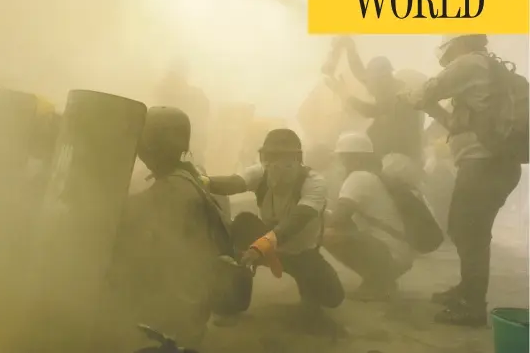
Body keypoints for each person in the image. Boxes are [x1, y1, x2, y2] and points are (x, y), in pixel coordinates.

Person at [408, 34, 523, 326]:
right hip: (491, 166)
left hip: (484, 166)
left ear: (459, 44)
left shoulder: (470, 63)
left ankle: (472, 306)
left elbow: (426, 90)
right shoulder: (483, 83)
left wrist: (411, 98)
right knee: (463, 230)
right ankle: (466, 290)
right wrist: (426, 106)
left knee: (471, 236)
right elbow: (453, 125)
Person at [202, 129, 345, 335]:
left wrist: (262, 245)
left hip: (301, 253)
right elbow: (234, 184)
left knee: (333, 297)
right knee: (242, 224)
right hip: (268, 248)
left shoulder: (314, 183)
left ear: (297, 159)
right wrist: (202, 180)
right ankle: (230, 305)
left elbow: (298, 220)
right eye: (271, 156)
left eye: (283, 157)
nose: (276, 164)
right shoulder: (261, 174)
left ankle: (310, 299)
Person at [117, 106, 238, 349]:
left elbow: (134, 220)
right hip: (195, 294)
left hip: (181, 304)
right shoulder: (190, 176)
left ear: (150, 147)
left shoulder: (173, 189)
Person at [322, 132, 415, 301]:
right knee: (338, 231)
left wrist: (314, 212)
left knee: (326, 235)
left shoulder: (358, 178)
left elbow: (338, 218)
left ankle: (378, 281)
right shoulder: (373, 175)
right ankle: (381, 281)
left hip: (389, 254)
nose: (340, 164)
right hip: (399, 253)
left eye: (342, 158)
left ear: (355, 159)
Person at [325, 36, 424, 165]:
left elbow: (371, 111)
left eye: (373, 80)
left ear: (383, 78)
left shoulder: (400, 95)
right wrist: (350, 49)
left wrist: (344, 95)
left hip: (401, 159)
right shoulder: (385, 87)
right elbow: (361, 74)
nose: (369, 84)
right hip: (393, 154)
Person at [155, 58, 210, 166]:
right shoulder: (163, 93)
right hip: (163, 154)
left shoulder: (196, 97)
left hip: (188, 154)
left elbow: (200, 130)